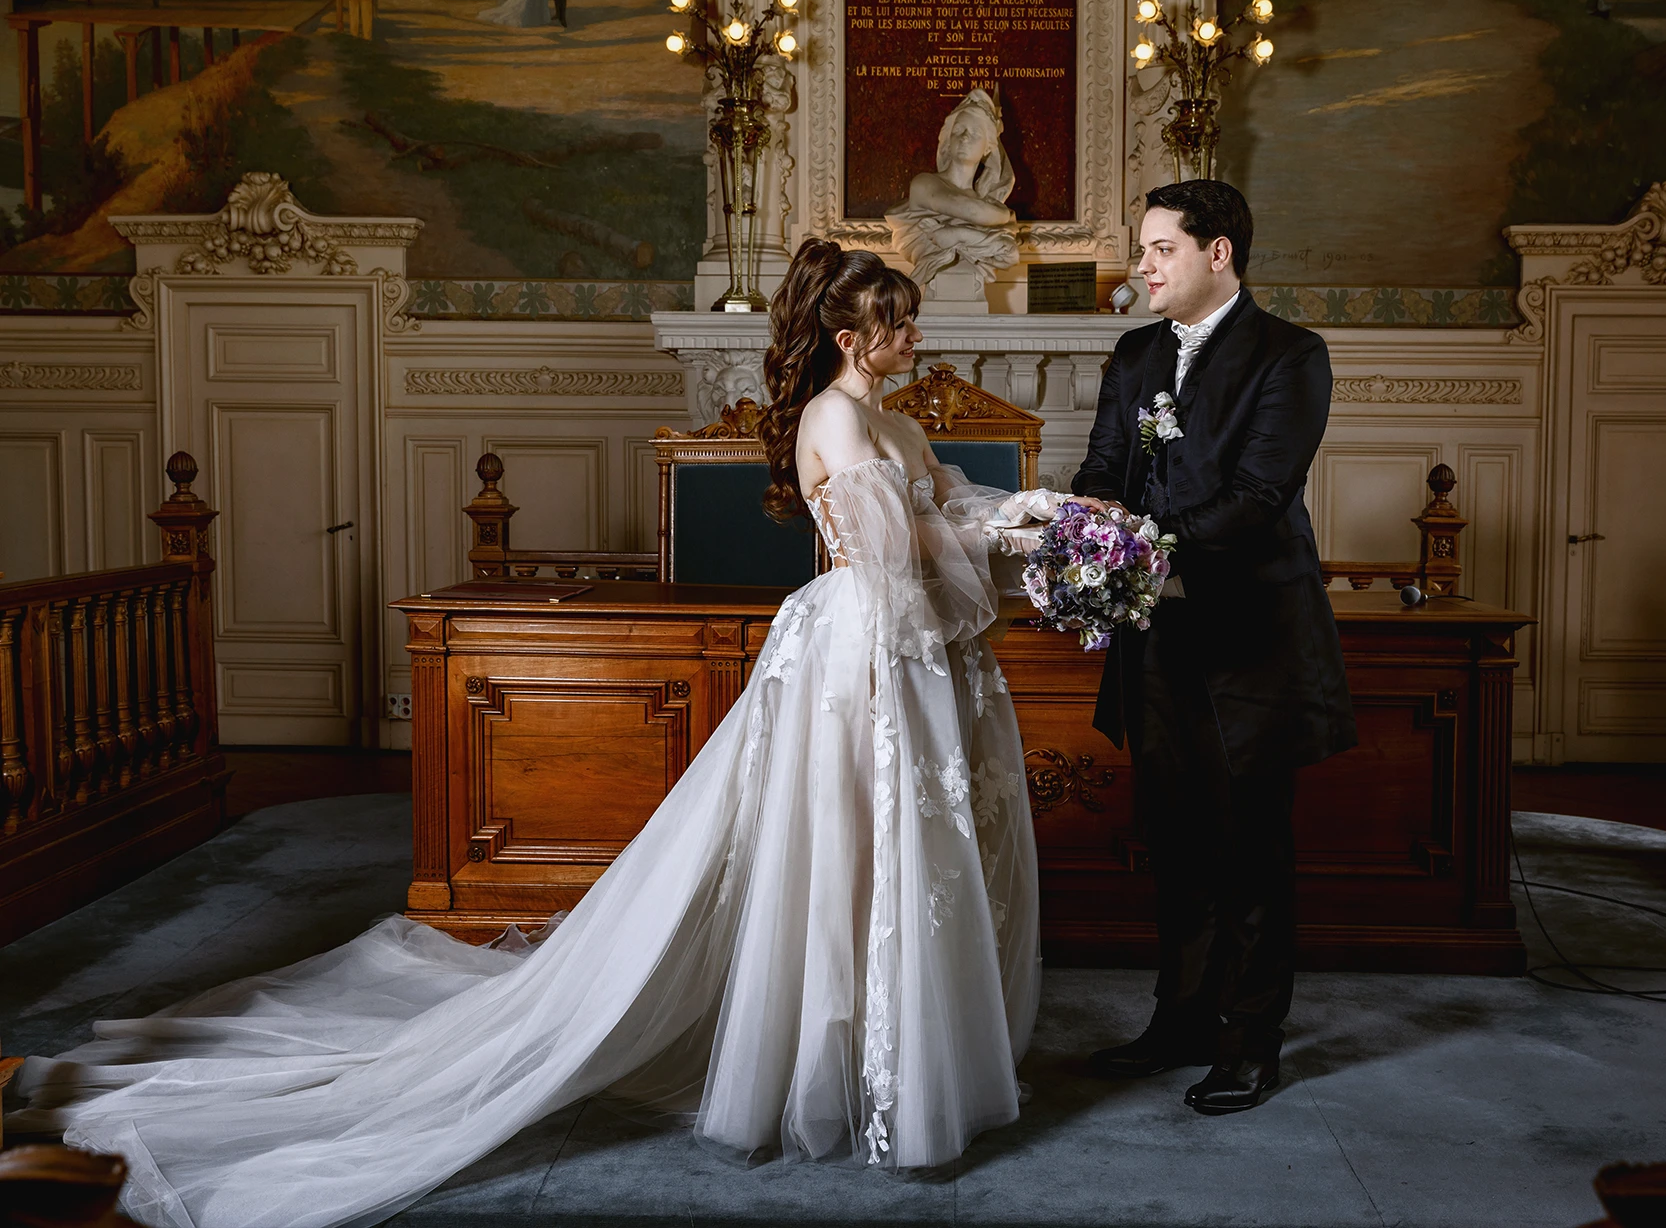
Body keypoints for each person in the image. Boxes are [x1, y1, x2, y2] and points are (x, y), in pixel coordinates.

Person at [8, 241, 1051, 1228]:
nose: (915, 338)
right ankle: (834, 1055)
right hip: (857, 654)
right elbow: (896, 544)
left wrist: (1048, 524)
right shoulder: (831, 418)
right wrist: (1004, 531)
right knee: (839, 853)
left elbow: (958, 505)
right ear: (851, 337)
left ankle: (903, 1051)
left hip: (916, 658)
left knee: (903, 854)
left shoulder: (906, 428)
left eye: (910, 322)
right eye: (898, 323)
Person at [1073, 180, 1356, 1116]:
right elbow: (1103, 470)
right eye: (1142, 250)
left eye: (1158, 250)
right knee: (1177, 843)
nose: (1141, 267)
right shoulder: (1133, 355)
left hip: (1253, 647)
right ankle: (1180, 1021)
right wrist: (1082, 533)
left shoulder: (1291, 356)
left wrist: (1135, 544)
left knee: (1248, 854)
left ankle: (1248, 1041)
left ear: (1217, 252)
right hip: (1158, 643)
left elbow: (1256, 498)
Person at [884, 88, 1019, 294]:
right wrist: (990, 225)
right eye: (958, 131)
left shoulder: (991, 209)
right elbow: (972, 212)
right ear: (948, 140)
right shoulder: (924, 184)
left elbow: (1009, 253)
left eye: (974, 133)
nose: (964, 137)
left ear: (987, 148)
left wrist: (958, 233)